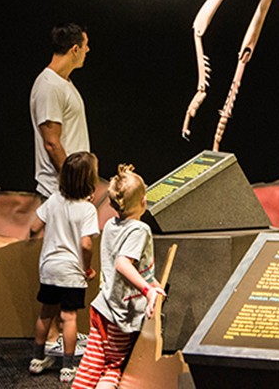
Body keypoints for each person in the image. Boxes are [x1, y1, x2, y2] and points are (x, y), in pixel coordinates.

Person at [72, 164, 166, 389]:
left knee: (92, 363)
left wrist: (153, 283)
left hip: (101, 309)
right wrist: (148, 291)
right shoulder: (139, 230)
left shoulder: (110, 225)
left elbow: (138, 268)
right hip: (120, 316)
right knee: (113, 367)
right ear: (143, 201)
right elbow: (122, 264)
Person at [28, 151, 101, 382]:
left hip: (49, 268)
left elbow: (34, 227)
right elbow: (86, 244)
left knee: (45, 314)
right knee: (69, 317)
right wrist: (87, 269)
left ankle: (37, 359)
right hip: (72, 271)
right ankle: (68, 367)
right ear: (90, 180)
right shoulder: (87, 210)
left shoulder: (53, 200)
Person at [31, 22, 91, 200]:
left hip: (69, 192)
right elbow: (52, 143)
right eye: (85, 45)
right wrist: (74, 184)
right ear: (75, 49)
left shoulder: (63, 83)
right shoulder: (49, 86)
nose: (87, 50)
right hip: (58, 193)